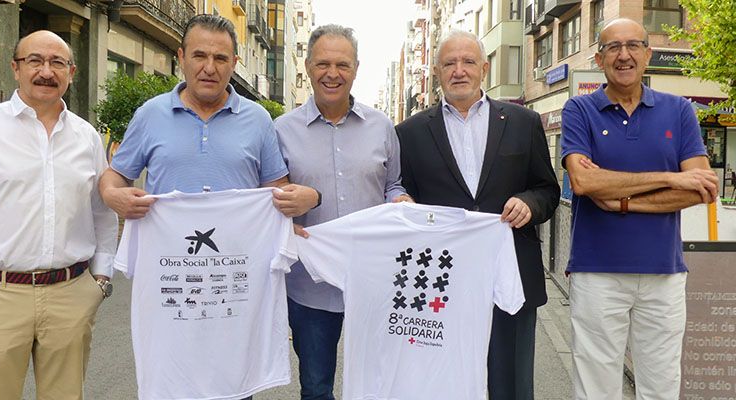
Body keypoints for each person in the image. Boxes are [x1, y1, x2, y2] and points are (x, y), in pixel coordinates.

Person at [98, 14, 315, 400]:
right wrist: (114, 196)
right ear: (181, 57)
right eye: (200, 56)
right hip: (173, 286)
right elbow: (113, 178)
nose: (209, 68)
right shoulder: (150, 115)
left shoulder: (258, 120)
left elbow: (277, 193)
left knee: (234, 383)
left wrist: (304, 198)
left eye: (221, 58)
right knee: (172, 380)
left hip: (235, 288)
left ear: (234, 63)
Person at [0, 30, 118, 400]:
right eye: (35, 61)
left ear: (72, 71)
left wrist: (100, 280)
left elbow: (102, 213)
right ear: (15, 68)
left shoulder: (86, 138)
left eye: (57, 63)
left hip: (71, 294)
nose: (46, 72)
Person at [395, 30, 559, 400]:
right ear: (437, 71)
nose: (459, 70)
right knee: (444, 383)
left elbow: (548, 190)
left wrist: (529, 205)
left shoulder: (522, 122)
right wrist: (403, 202)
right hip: (443, 284)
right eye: (449, 63)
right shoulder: (410, 133)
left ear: (484, 68)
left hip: (512, 277)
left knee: (512, 384)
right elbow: (405, 198)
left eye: (468, 61)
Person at [561, 18, 718, 400]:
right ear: (599, 58)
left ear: (648, 54)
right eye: (613, 47)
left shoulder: (679, 110)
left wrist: (624, 200)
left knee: (661, 385)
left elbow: (703, 188)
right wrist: (672, 179)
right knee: (595, 385)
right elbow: (584, 183)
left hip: (663, 272)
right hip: (597, 272)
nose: (624, 55)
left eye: (633, 45)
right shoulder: (579, 110)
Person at [273, 24, 411, 400]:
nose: (332, 74)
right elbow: (269, 199)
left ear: (355, 69)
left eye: (342, 65)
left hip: (376, 281)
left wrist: (401, 201)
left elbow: (392, 185)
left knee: (380, 382)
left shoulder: (381, 126)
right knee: (316, 388)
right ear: (307, 66)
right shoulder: (281, 131)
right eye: (323, 64)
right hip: (309, 285)